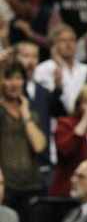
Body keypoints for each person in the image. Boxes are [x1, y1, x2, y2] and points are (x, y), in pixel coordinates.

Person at [0, 62, 47, 222]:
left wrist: (25, 113)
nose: (14, 83)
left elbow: (39, 146)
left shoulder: (30, 113)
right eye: (8, 78)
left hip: (32, 185)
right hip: (7, 186)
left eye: (18, 78)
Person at [50, 84, 87, 197]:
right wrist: (85, 120)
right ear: (79, 106)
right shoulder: (66, 124)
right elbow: (65, 151)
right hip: (70, 193)